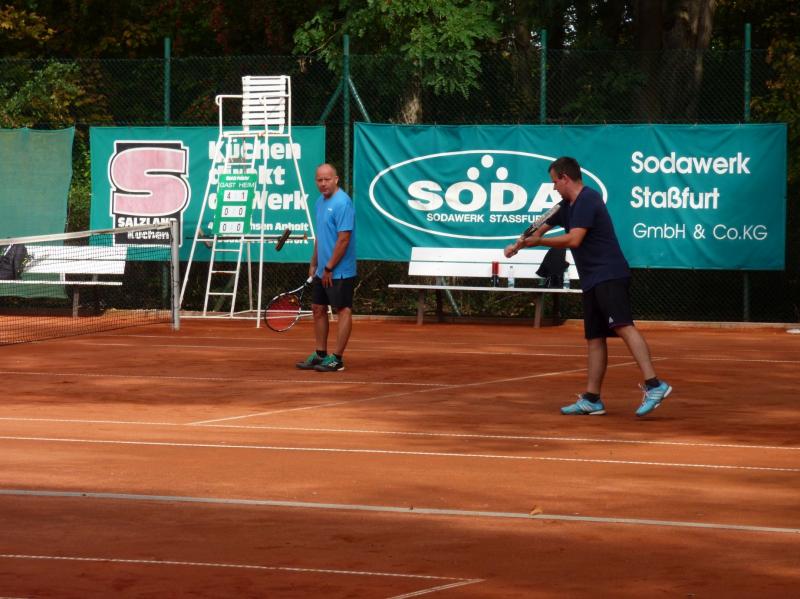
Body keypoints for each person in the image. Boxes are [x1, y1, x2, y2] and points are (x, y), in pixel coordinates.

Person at [505, 156, 671, 417]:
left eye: (554, 182)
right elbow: (539, 228)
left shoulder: (588, 200)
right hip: (592, 279)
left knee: (623, 326)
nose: (553, 187)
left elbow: (574, 239)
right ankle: (592, 399)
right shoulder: (566, 206)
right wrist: (518, 245)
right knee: (594, 338)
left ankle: (655, 384)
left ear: (565, 178)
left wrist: (539, 242)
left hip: (609, 275)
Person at [296, 163, 357, 372]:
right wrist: (314, 262)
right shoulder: (319, 202)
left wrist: (329, 267)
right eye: (319, 180)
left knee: (343, 309)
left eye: (327, 179)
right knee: (318, 308)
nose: (323, 183)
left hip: (340, 270)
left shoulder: (343, 203)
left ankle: (337, 359)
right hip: (324, 268)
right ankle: (321, 354)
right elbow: (320, 236)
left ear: (336, 179)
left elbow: (344, 239)